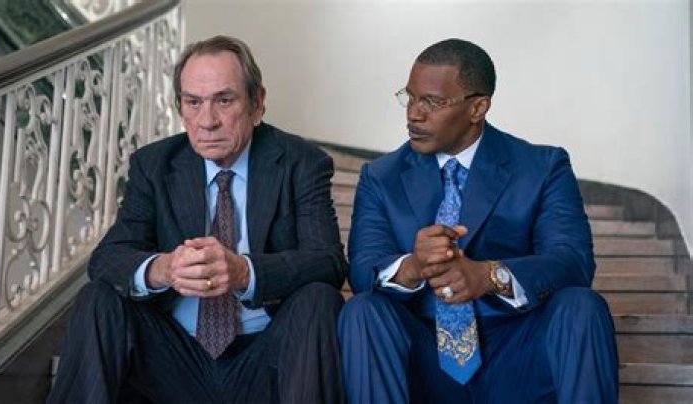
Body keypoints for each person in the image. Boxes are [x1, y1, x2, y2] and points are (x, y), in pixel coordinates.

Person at [48, 35, 347, 403]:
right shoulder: (155, 165)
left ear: (257, 104)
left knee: (319, 298)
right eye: (194, 102)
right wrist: (163, 269)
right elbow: (107, 258)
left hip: (265, 357)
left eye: (224, 100)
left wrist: (245, 273)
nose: (207, 121)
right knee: (98, 298)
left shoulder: (301, 162)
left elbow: (328, 261)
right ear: (181, 107)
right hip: (173, 359)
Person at [338, 38, 618, 403]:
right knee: (361, 311)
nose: (414, 114)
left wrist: (489, 276)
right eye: (410, 97)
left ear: (478, 107)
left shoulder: (542, 167)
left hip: (519, 354)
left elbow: (573, 262)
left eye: (432, 102)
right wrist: (414, 267)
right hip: (421, 358)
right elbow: (363, 271)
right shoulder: (381, 176)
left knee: (582, 306)